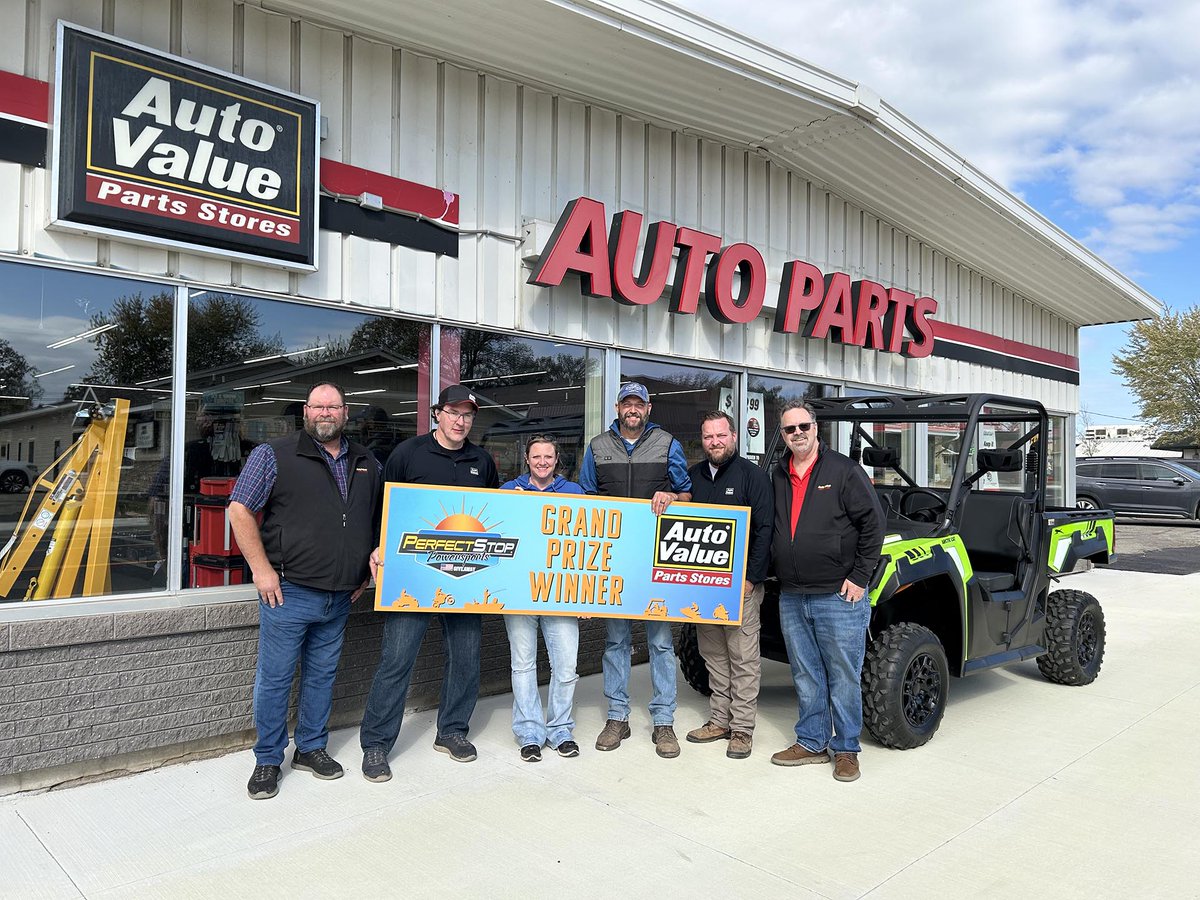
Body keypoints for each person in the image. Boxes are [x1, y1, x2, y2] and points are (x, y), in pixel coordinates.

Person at [228, 382, 382, 800]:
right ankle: (267, 760)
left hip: (340, 596)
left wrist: (364, 569)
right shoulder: (273, 455)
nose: (325, 412)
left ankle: (311, 748)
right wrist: (261, 570)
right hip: (288, 592)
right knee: (275, 680)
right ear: (305, 411)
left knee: (321, 675)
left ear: (346, 412)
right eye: (318, 406)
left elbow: (374, 520)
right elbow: (238, 508)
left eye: (334, 405)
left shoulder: (367, 461)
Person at [359, 384, 499, 782]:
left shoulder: (482, 461)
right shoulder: (409, 454)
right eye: (454, 413)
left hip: (467, 578)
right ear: (438, 414)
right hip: (413, 575)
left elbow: (493, 515)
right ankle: (376, 744)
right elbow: (383, 507)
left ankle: (452, 731)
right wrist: (377, 546)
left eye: (468, 415)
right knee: (397, 659)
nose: (461, 421)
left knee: (466, 657)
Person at [768, 399, 884, 782]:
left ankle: (847, 748)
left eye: (803, 427)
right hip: (792, 594)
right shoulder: (779, 474)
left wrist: (860, 576)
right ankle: (812, 741)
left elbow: (873, 525)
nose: (797, 434)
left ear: (816, 428)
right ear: (782, 434)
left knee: (843, 673)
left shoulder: (844, 470)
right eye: (789, 429)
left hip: (838, 594)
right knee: (805, 672)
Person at [578, 382, 692, 758]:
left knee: (660, 643)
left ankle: (663, 722)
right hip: (613, 562)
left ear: (648, 407)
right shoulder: (597, 447)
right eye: (626, 403)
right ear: (617, 407)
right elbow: (586, 499)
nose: (632, 409)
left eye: (638, 404)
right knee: (616, 643)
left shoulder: (668, 443)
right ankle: (617, 716)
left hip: (656, 562)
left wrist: (673, 496)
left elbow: (688, 494)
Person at [684, 411, 773, 760]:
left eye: (721, 435)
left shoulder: (753, 477)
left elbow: (765, 530)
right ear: (702, 440)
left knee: (743, 658)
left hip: (741, 588)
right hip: (705, 587)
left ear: (734, 436)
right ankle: (719, 720)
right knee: (715, 657)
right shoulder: (693, 477)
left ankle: (742, 729)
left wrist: (750, 580)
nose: (715, 442)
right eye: (708, 437)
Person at [500, 434, 585, 762]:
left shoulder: (574, 492)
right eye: (536, 457)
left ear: (556, 460)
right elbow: (496, 534)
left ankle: (561, 729)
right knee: (523, 665)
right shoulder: (508, 491)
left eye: (548, 457)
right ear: (527, 459)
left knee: (566, 665)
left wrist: (586, 599)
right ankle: (529, 732)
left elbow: (585, 542)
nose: (542, 462)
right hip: (520, 592)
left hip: (561, 594)